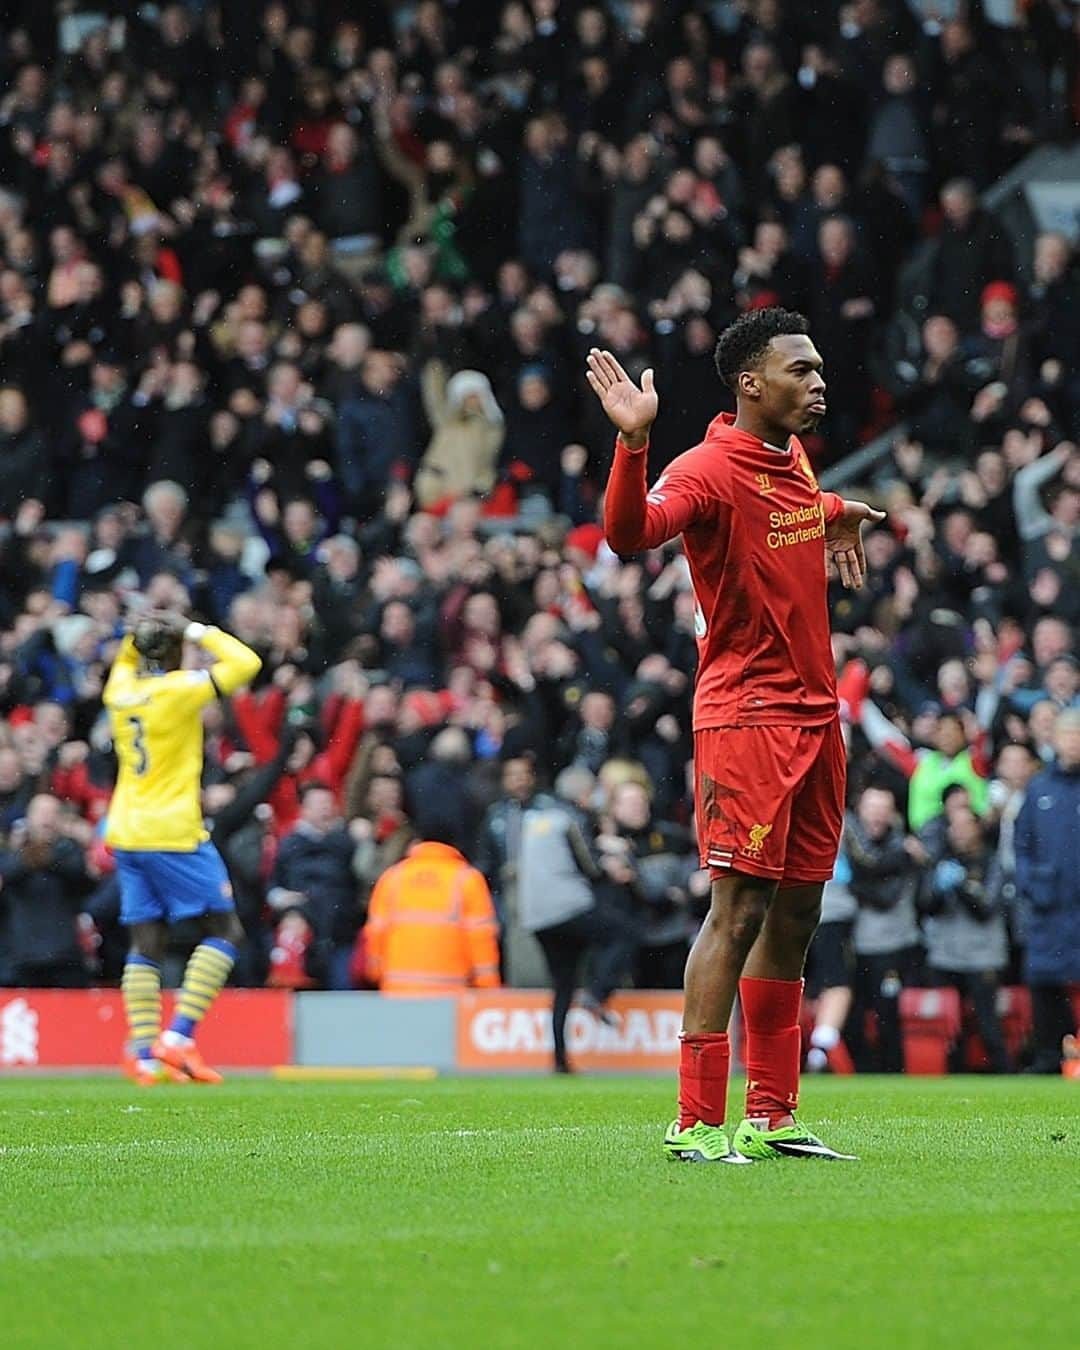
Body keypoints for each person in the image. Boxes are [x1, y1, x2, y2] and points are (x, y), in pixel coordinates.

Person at [586, 306, 882, 1162]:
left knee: (798, 912)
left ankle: (774, 1114)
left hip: (817, 717)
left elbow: (782, 516)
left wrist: (833, 510)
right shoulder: (707, 468)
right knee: (739, 908)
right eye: (802, 369)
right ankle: (694, 1121)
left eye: (820, 368)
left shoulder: (792, 460)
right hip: (746, 718)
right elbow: (629, 531)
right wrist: (633, 444)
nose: (819, 382)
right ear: (751, 382)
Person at [104, 608, 262, 1084]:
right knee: (228, 930)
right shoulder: (177, 691)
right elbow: (246, 663)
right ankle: (177, 1038)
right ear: (174, 653)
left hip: (126, 830)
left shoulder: (119, 691)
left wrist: (141, 635)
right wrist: (193, 627)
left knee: (146, 940)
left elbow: (127, 656)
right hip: (171, 831)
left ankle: (143, 1054)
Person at [519, 766, 637, 1074]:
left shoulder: (534, 818)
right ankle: (598, 993)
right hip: (568, 906)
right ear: (584, 794)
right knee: (622, 932)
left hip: (537, 916)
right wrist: (608, 858)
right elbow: (589, 865)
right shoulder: (569, 817)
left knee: (563, 983)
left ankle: (559, 1059)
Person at [1013, 707, 1080, 1072]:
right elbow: (1021, 845)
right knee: (1044, 981)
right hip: (1048, 905)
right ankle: (1047, 1055)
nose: (1073, 743)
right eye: (1068, 735)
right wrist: (1030, 883)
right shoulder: (1039, 788)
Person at [363, 819, 501, 994]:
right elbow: (481, 936)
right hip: (451, 992)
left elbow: (376, 931)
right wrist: (488, 985)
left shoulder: (393, 877)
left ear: (418, 841)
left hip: (398, 990)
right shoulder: (468, 879)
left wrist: (375, 973)